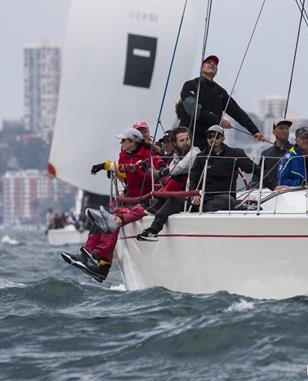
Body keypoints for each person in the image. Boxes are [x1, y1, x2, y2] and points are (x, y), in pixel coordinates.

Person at [60, 128, 162, 282]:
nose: (121, 143)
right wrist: (108, 169)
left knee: (111, 222)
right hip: (130, 199)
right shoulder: (124, 155)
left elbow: (153, 174)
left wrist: (137, 169)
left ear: (133, 141)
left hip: (144, 200)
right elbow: (123, 170)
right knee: (101, 220)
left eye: (124, 140)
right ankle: (87, 254)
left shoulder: (149, 156)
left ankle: (99, 260)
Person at [179, 55, 264, 148]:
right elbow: (193, 111)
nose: (212, 64)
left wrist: (255, 131)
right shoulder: (191, 85)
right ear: (201, 67)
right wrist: (218, 120)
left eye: (215, 64)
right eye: (208, 62)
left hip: (210, 140)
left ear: (217, 70)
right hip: (189, 139)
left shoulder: (220, 92)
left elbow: (237, 112)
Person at [188, 125, 255, 212]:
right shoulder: (201, 156)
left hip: (226, 198)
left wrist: (273, 186)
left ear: (223, 138)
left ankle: (199, 209)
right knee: (178, 200)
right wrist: (194, 193)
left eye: (216, 136)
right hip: (206, 197)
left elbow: (252, 169)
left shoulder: (235, 153)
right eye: (209, 136)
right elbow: (193, 178)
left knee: (227, 200)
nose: (213, 139)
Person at [252, 118, 293, 190]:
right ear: (274, 132)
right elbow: (257, 177)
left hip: (292, 191)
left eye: (287, 128)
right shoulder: (266, 153)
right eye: (281, 128)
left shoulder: (296, 150)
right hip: (270, 194)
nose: (285, 131)